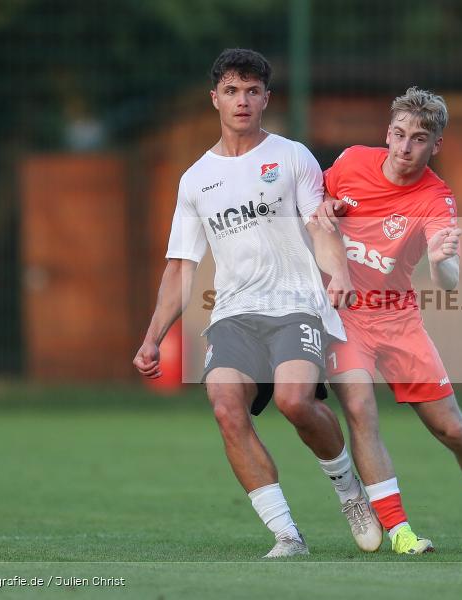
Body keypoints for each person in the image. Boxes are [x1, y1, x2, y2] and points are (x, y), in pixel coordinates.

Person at [132, 48, 382, 558]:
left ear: (266, 98)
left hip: (296, 305)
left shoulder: (292, 157)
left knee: (294, 401)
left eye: (251, 91)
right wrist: (153, 336)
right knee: (226, 407)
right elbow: (181, 267)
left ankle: (349, 493)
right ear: (215, 100)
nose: (241, 100)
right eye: (231, 90)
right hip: (233, 316)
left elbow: (322, 227)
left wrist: (337, 275)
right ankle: (287, 535)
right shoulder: (195, 180)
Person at [314, 87, 462, 553]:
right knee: (360, 410)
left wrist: (441, 261)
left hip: (398, 319)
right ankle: (400, 532)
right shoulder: (351, 162)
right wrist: (325, 209)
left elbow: (450, 281)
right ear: (387, 132)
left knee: (451, 428)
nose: (404, 148)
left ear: (436, 144)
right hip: (344, 315)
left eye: (418, 138)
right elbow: (317, 204)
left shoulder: (436, 198)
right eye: (398, 134)